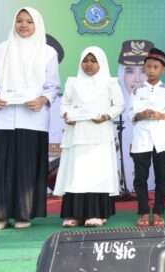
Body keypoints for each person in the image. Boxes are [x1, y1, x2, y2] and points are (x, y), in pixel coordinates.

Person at [0, 8, 60, 230]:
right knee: (0, 167)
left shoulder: (48, 53)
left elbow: (53, 86)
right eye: (19, 21)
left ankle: (23, 215)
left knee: (26, 167)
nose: (23, 25)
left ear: (37, 24)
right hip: (2, 118)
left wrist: (43, 99)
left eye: (29, 21)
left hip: (33, 119)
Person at [55, 47, 123, 227]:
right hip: (77, 134)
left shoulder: (110, 82)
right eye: (85, 60)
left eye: (93, 61)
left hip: (99, 134)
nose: (89, 65)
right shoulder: (73, 82)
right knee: (77, 173)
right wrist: (66, 115)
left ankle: (97, 213)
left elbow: (118, 105)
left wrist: (106, 116)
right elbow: (64, 104)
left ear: (101, 62)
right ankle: (74, 214)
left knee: (97, 173)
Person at [130, 48, 165, 227]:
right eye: (148, 67)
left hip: (162, 140)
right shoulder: (137, 90)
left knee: (162, 177)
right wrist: (141, 114)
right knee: (140, 178)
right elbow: (130, 113)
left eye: (155, 67)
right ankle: (142, 211)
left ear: (163, 69)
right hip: (141, 139)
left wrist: (161, 115)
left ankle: (158, 212)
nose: (151, 70)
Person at [117, 39, 154, 193]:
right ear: (121, 74)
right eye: (130, 71)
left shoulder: (164, 100)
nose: (137, 78)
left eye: (143, 71)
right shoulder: (113, 109)